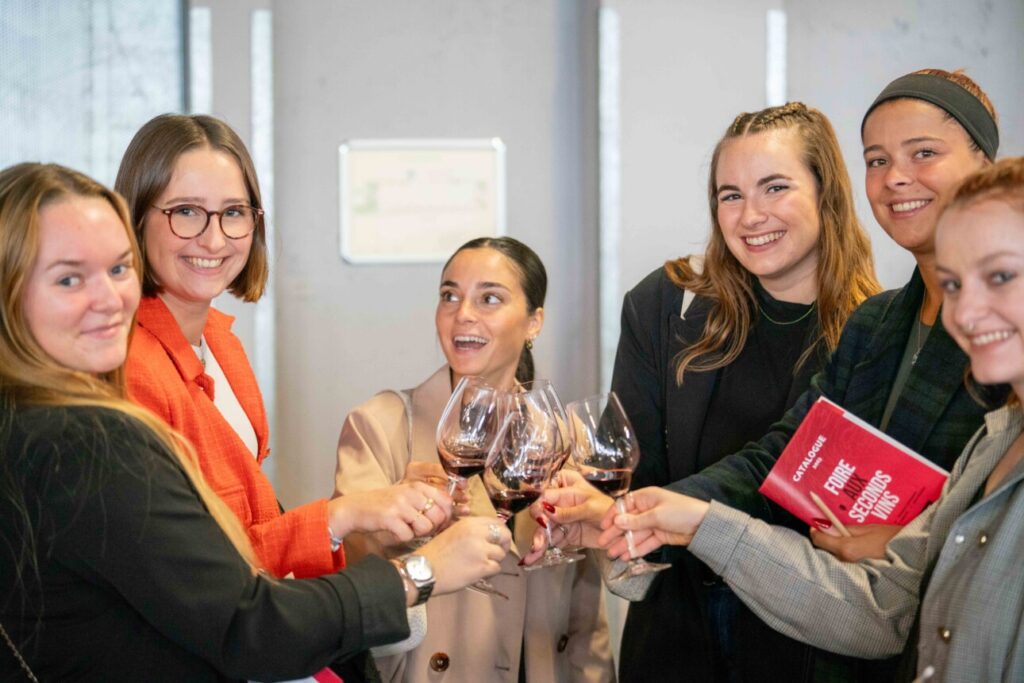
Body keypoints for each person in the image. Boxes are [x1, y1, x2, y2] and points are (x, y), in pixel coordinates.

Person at [530, 69, 1007, 680]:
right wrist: (647, 509)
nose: (895, 178)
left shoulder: (984, 334)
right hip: (707, 634)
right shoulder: (880, 326)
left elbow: (983, 533)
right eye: (878, 160)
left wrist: (900, 545)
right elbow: (783, 455)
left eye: (924, 154)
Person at [0, 162, 509, 682]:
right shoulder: (86, 437)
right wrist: (423, 571)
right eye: (68, 278)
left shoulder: (38, 413)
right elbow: (248, 623)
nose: (110, 300)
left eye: (117, 269)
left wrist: (346, 517)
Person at [608, 101, 879, 682]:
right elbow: (629, 473)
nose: (750, 215)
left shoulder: (874, 336)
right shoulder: (665, 306)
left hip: (803, 650)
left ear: (826, 192)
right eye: (730, 195)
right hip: (676, 640)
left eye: (774, 187)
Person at [116, 114, 448, 583]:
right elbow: (194, 573)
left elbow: (253, 529)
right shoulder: (131, 370)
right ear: (134, 218)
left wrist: (369, 511)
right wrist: (343, 516)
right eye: (186, 211)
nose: (213, 239)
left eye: (233, 213)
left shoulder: (219, 340)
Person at [335, 237, 614, 682]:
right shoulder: (381, 426)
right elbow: (349, 581)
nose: (462, 314)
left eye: (489, 298)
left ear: (534, 322)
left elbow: (585, 608)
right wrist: (401, 527)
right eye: (450, 296)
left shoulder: (564, 434)